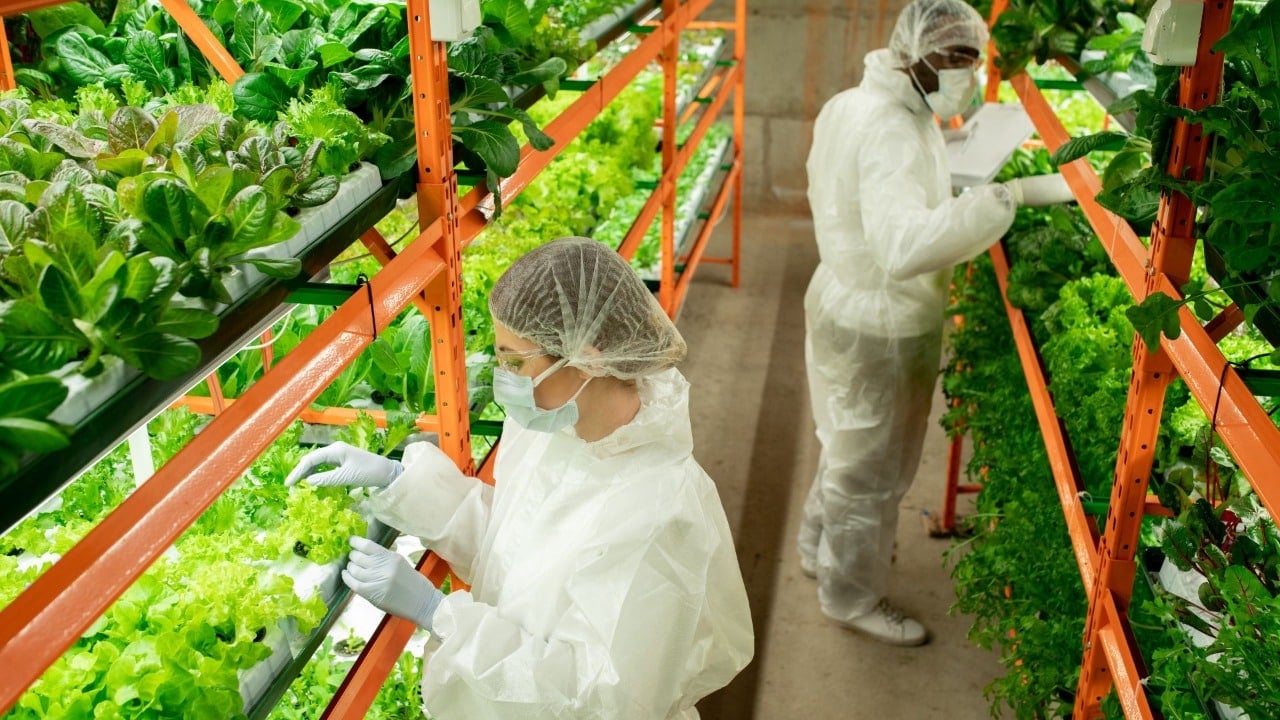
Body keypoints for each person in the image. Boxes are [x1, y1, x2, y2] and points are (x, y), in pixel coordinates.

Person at [286, 237, 754, 719]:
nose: (502, 374)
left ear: (585, 358)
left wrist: (440, 614)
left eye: (513, 360)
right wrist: (398, 482)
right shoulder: (555, 428)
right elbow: (516, 547)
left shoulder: (660, 510)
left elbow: (598, 698)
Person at [799, 0, 1076, 646]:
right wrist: (1004, 199)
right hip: (883, 323)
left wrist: (954, 160)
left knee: (844, 442)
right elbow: (903, 249)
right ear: (919, 53)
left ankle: (818, 547)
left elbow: (876, 190)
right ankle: (851, 598)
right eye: (960, 60)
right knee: (873, 472)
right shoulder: (893, 129)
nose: (971, 76)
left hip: (840, 296)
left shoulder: (860, 103)